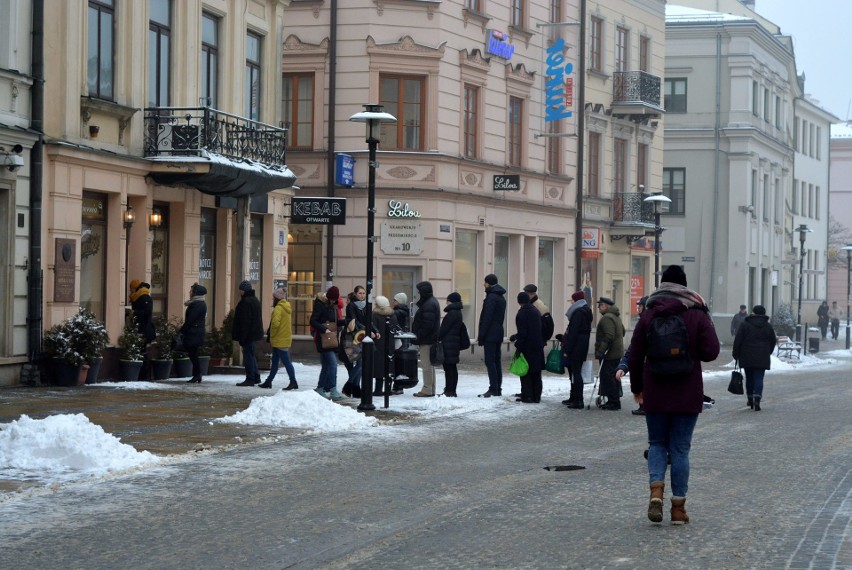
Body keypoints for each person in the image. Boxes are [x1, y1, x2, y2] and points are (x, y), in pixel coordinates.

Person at [628, 265, 720, 525]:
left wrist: (637, 388)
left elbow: (635, 354)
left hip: (655, 390)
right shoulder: (696, 312)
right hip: (687, 391)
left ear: (662, 284)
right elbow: (711, 351)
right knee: (680, 449)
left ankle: (656, 489)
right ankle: (678, 510)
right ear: (685, 285)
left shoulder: (649, 313)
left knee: (657, 443)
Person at [732, 305, 777, 411]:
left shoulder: (745, 324)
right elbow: (773, 341)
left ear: (753, 313)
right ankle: (757, 398)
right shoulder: (767, 326)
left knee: (749, 377)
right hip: (762, 356)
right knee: (759, 377)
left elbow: (738, 340)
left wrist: (736, 353)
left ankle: (750, 398)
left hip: (747, 355)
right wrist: (767, 352)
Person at [310, 286, 345, 400]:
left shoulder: (333, 306)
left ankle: (320, 388)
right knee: (333, 364)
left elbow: (335, 322)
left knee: (326, 366)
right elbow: (313, 321)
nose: (333, 301)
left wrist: (345, 321)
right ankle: (333, 390)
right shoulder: (320, 305)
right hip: (323, 339)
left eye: (335, 299)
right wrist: (324, 329)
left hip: (332, 338)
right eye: (332, 299)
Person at [559, 290, 593, 409]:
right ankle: (574, 397)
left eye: (572, 300)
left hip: (576, 347)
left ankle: (578, 400)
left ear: (576, 300)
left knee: (576, 373)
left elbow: (573, 333)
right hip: (581, 345)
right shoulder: (585, 311)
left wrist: (568, 349)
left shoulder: (578, 313)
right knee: (574, 373)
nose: (571, 302)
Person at [260, 287, 298, 390]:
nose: (273, 299)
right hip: (283, 338)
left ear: (277, 298)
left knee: (286, 362)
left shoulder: (278, 308)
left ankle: (293, 381)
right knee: (275, 362)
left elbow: (275, 324)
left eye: (274, 298)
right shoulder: (286, 307)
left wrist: (272, 335)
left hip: (279, 339)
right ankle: (268, 381)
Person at [616, 296, 648, 415]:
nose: (638, 309)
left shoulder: (646, 324)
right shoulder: (642, 323)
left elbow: (634, 350)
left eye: (639, 306)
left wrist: (624, 366)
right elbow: (633, 349)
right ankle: (644, 405)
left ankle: (645, 405)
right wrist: (623, 366)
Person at [477, 274, 507, 398]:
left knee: (490, 361)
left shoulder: (491, 297)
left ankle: (493, 388)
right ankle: (497, 387)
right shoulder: (500, 297)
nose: (484, 285)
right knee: (496, 361)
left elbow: (487, 318)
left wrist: (482, 335)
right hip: (498, 332)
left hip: (490, 333)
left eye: (485, 283)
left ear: (489, 283)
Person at [512, 291, 545, 403]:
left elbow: (523, 333)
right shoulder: (535, 311)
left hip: (527, 347)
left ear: (519, 301)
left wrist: (518, 347)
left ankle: (528, 396)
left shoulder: (521, 314)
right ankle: (537, 396)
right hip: (538, 346)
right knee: (536, 373)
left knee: (525, 372)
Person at [595, 297, 625, 410]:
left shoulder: (607, 318)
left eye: (600, 305)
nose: (598, 307)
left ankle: (613, 401)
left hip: (610, 354)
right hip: (617, 352)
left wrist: (601, 351)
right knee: (614, 376)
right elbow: (622, 331)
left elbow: (609, 336)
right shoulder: (616, 317)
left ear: (606, 306)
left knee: (608, 377)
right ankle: (614, 399)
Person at [412, 280, 441, 397]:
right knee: (429, 365)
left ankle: (427, 389)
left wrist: (418, 335)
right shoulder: (432, 302)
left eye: (419, 292)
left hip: (427, 340)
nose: (418, 294)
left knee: (426, 365)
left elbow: (427, 325)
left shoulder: (429, 304)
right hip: (429, 339)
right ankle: (431, 388)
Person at [233, 280, 264, 387]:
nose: (239, 292)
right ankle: (256, 377)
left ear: (243, 290)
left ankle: (250, 378)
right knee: (251, 355)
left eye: (240, 290)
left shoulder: (245, 302)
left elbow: (245, 321)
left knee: (248, 357)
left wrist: (243, 337)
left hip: (249, 335)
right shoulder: (255, 300)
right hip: (254, 334)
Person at [342, 286, 369, 398]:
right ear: (355, 294)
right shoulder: (351, 306)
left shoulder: (366, 306)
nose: (362, 295)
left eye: (363, 293)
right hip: (353, 336)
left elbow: (369, 320)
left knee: (360, 363)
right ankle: (350, 386)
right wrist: (367, 330)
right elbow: (355, 321)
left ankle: (354, 387)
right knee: (359, 362)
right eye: (360, 293)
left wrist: (375, 331)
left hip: (362, 336)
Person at [369, 295, 398, 397]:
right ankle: (388, 389)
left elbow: (372, 328)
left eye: (376, 303)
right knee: (389, 366)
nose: (375, 304)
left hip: (378, 344)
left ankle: (378, 389)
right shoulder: (392, 315)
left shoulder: (375, 315)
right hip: (390, 345)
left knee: (379, 367)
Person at [438, 292, 465, 397]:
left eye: (447, 300)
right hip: (453, 344)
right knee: (451, 367)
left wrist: (438, 337)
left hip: (449, 344)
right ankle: (451, 390)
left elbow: (444, 329)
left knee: (449, 368)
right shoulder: (457, 312)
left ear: (451, 301)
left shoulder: (452, 313)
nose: (446, 302)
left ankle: (450, 390)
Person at [180, 283, 207, 383]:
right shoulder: (197, 303)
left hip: (194, 333)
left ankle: (197, 374)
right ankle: (197, 374)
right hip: (195, 332)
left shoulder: (197, 304)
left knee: (193, 354)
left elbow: (190, 320)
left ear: (196, 293)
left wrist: (181, 331)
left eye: (191, 291)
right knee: (193, 354)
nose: (189, 292)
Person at [129, 279, 156, 380]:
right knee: (142, 351)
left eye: (131, 289)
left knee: (143, 352)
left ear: (135, 288)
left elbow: (147, 312)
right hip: (141, 328)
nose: (130, 292)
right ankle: (143, 375)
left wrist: (135, 313)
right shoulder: (138, 296)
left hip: (144, 329)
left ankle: (145, 375)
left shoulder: (144, 296)